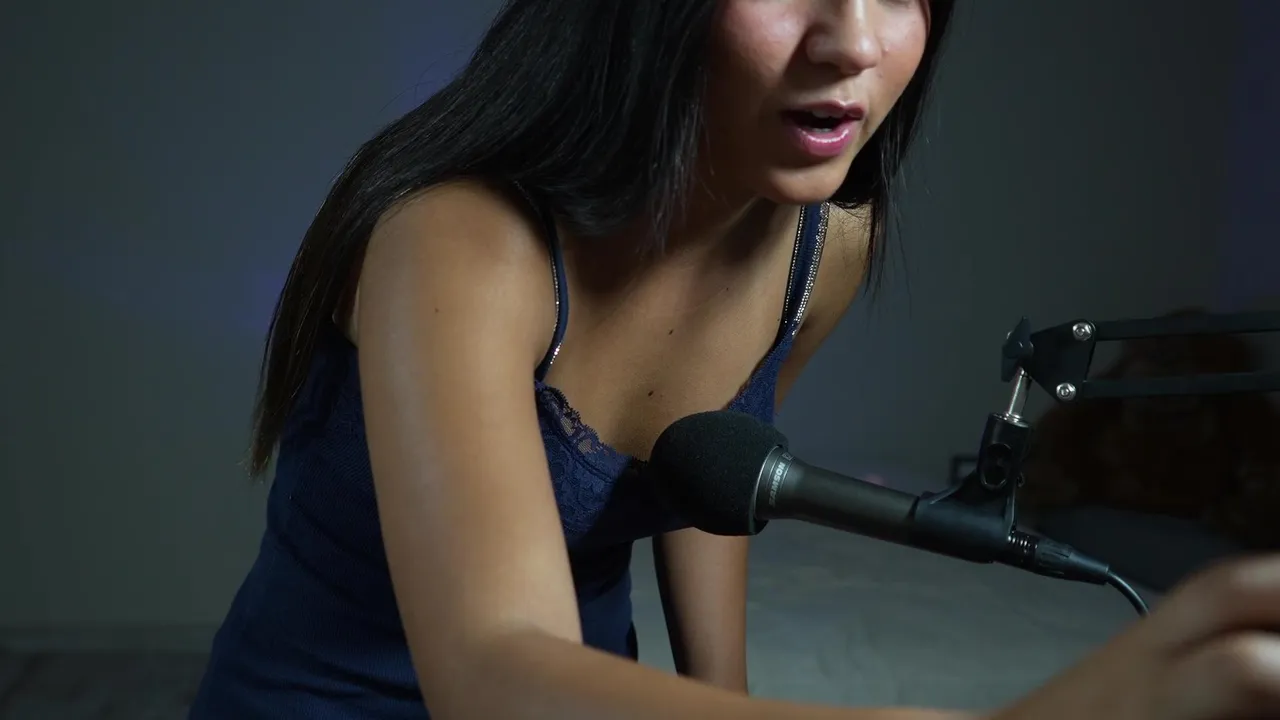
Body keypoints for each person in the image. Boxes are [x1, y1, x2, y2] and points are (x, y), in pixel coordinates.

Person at [190, 1, 1280, 718]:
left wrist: (728, 695)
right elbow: (493, 671)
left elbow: (713, 471)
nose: (852, 43)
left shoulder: (828, 241)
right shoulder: (460, 241)